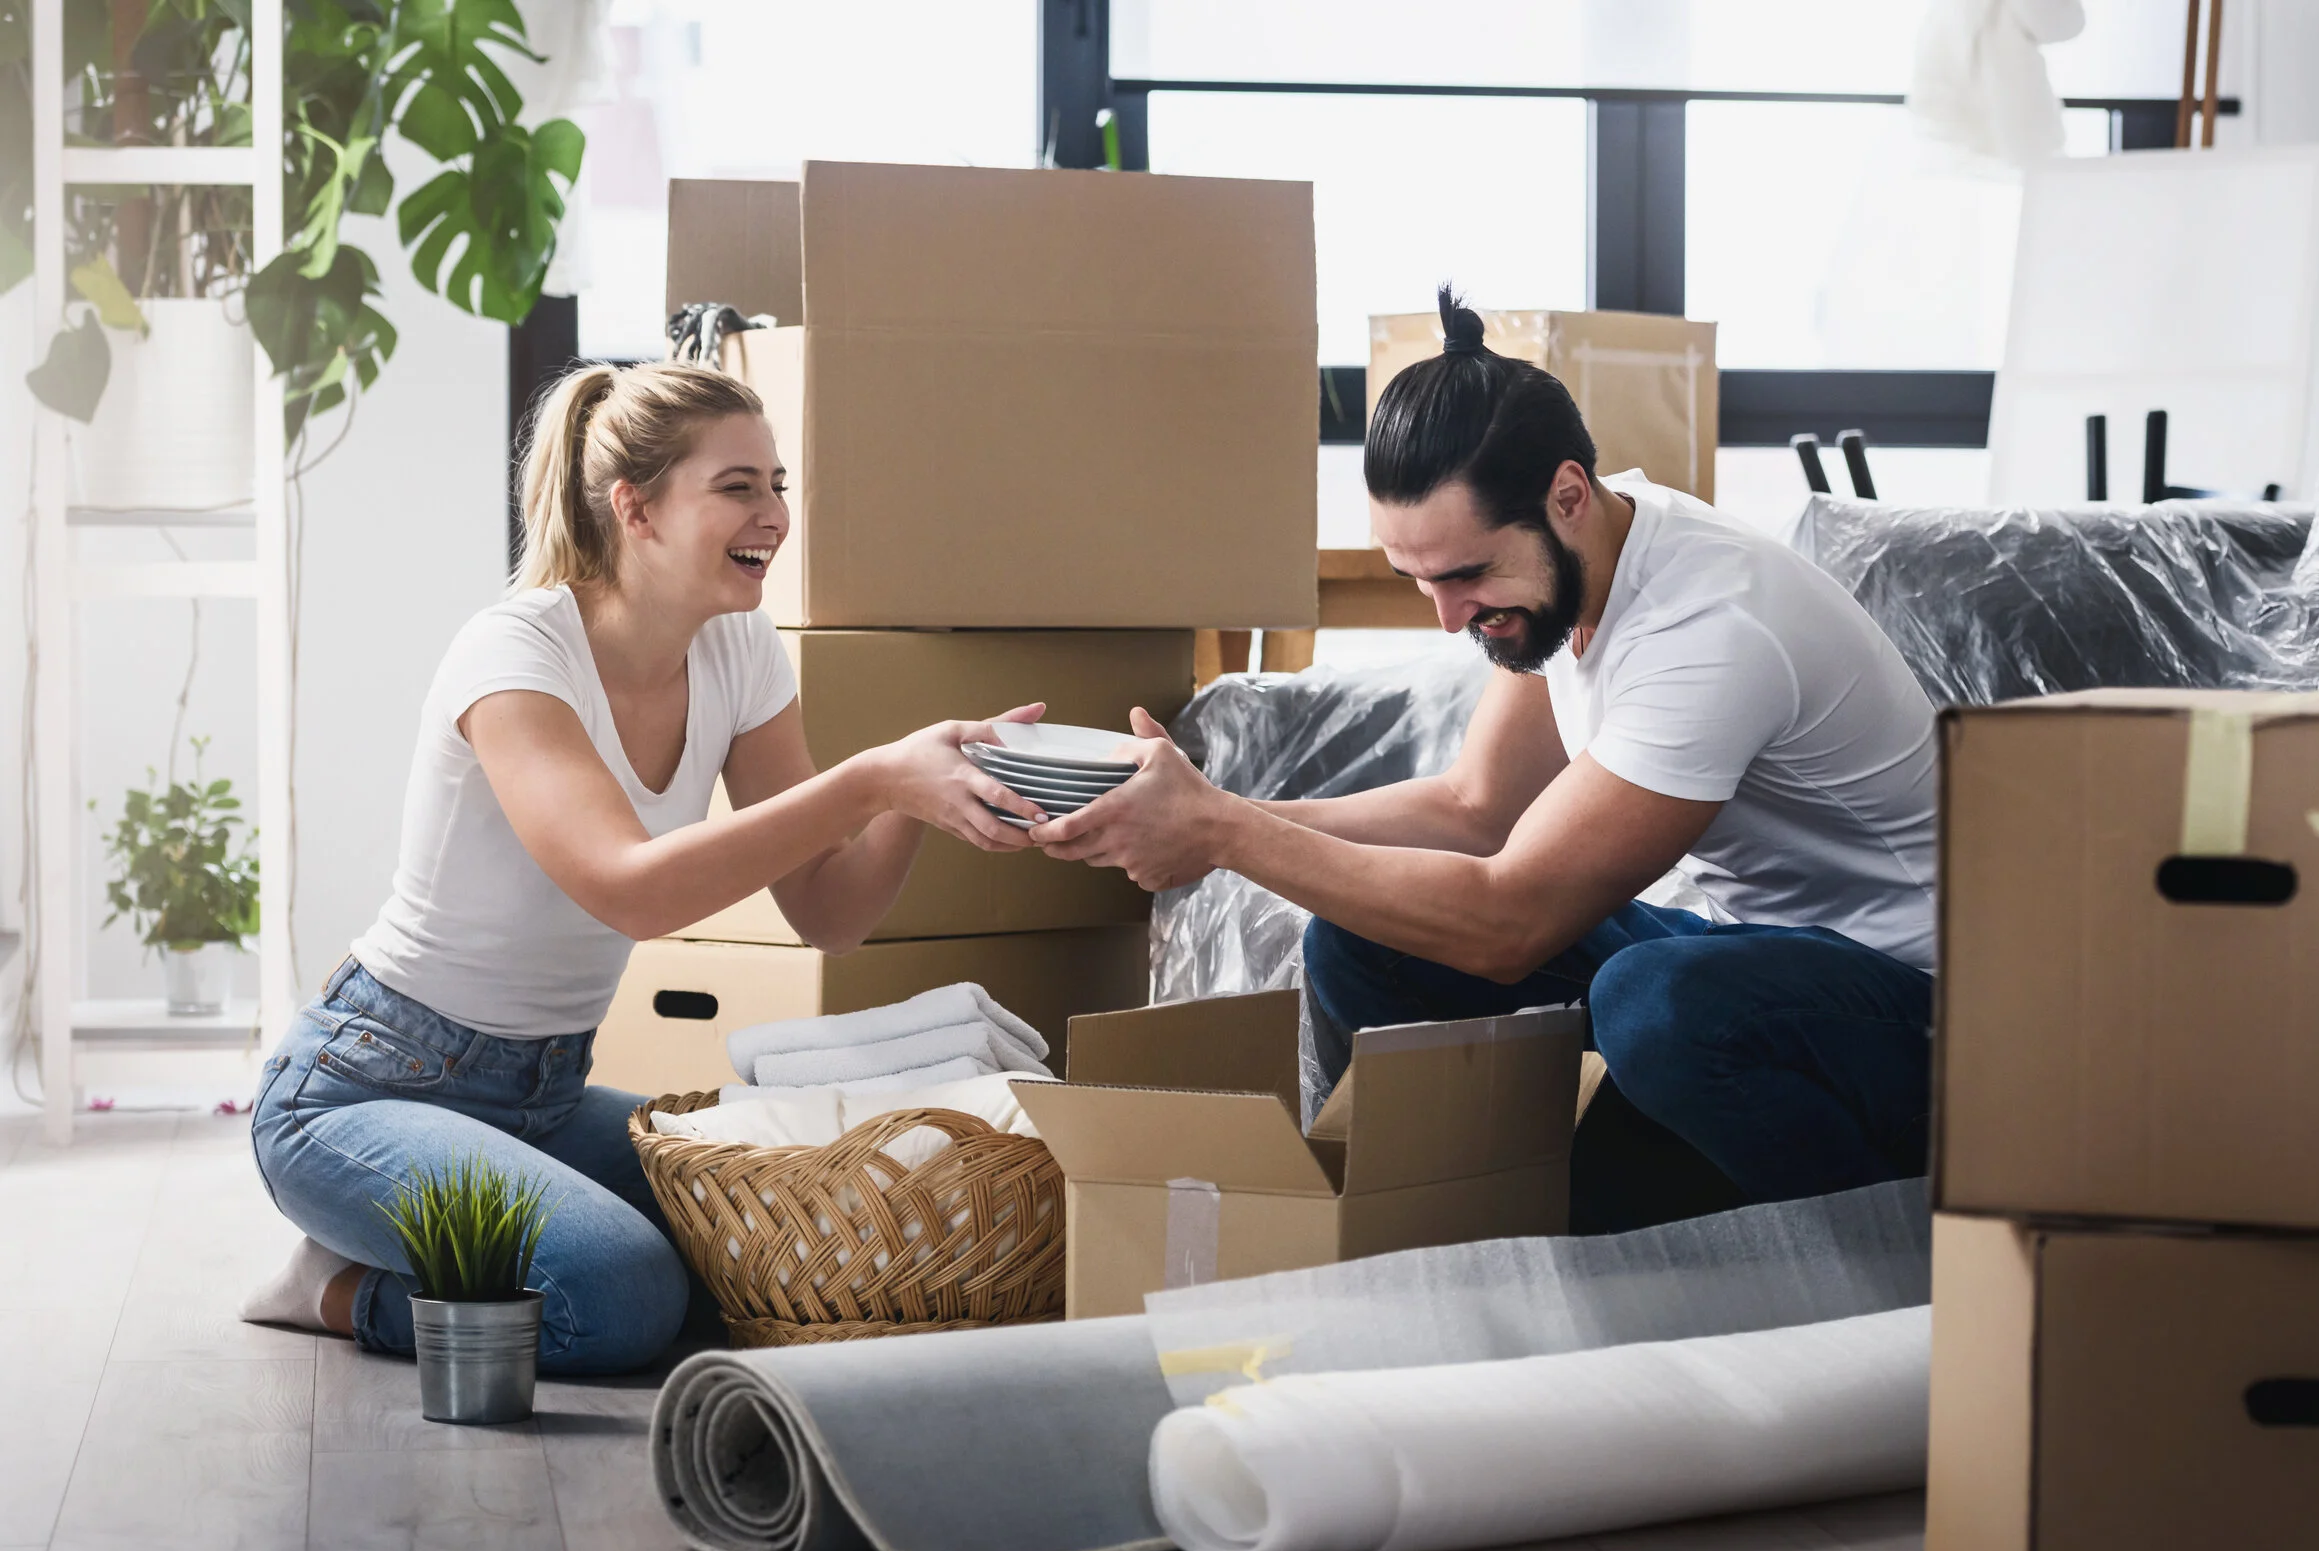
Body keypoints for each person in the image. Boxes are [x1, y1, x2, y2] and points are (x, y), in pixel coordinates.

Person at [1032, 289, 1938, 1232]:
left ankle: (1878, 1244)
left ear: (1568, 496)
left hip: (1916, 1016)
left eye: (1467, 574)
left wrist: (1225, 833)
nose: (1448, 617)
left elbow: (1510, 923)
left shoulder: (1711, 628)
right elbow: (1476, 810)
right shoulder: (1589, 554)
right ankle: (1449, 1221)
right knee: (1366, 938)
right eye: (1419, 580)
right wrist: (1207, 815)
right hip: (1760, 956)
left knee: (1652, 1006)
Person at [241, 361, 1052, 1371]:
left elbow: (829, 913)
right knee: (619, 1295)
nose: (773, 514)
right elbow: (630, 888)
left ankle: (451, 1243)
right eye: (737, 487)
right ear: (637, 509)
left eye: (777, 484)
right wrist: (871, 779)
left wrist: (918, 794)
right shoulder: (515, 654)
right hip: (369, 1092)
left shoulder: (740, 653)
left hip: (545, 1096)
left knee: (781, 1255)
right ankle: (335, 1288)